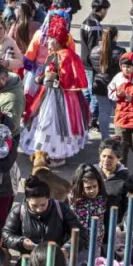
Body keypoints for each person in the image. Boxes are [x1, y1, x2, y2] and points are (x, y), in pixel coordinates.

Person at [19, 15, 88, 166]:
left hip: (60, 97)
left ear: (58, 40)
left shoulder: (66, 55)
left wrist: (49, 78)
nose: (47, 42)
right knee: (44, 122)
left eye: (51, 39)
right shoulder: (57, 54)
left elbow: (67, 79)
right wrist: (42, 78)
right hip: (49, 93)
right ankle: (45, 152)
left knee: (54, 124)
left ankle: (57, 154)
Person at [3, 175, 87, 254]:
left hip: (56, 258)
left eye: (43, 205)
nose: (39, 209)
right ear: (27, 200)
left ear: (49, 198)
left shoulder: (61, 209)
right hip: (30, 260)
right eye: (34, 206)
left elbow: (81, 234)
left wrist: (67, 249)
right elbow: (6, 235)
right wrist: (21, 242)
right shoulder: (19, 211)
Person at [88, 26, 123, 136]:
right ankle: (119, 136)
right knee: (119, 111)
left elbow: (92, 66)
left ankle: (105, 137)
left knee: (104, 111)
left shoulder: (94, 50)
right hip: (116, 86)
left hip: (100, 84)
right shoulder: (120, 51)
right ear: (115, 36)